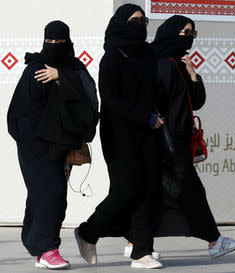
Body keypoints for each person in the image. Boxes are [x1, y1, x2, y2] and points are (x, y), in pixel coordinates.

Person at [74, 4, 165, 269]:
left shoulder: (147, 53)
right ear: (121, 23)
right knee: (126, 190)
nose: (140, 24)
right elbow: (111, 100)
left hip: (149, 131)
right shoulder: (113, 56)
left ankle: (141, 252)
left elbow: (155, 88)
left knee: (148, 190)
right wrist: (143, 115)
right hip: (120, 132)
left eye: (142, 20)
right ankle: (88, 232)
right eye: (134, 20)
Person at [148, 15, 235, 258]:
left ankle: (138, 244)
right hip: (166, 142)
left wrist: (192, 73)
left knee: (158, 193)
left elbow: (198, 102)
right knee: (191, 191)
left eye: (192, 32)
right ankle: (215, 241)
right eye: (184, 32)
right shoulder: (161, 62)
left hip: (178, 141)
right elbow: (157, 102)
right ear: (171, 32)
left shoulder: (178, 63)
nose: (189, 37)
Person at [7, 20, 99, 269]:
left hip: (63, 146)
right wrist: (32, 144)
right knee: (49, 194)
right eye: (50, 41)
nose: (55, 46)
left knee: (51, 198)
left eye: (60, 42)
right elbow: (20, 113)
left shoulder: (75, 68)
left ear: (68, 42)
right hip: (36, 147)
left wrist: (62, 77)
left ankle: (40, 248)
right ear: (44, 41)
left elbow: (90, 97)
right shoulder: (35, 69)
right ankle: (47, 249)